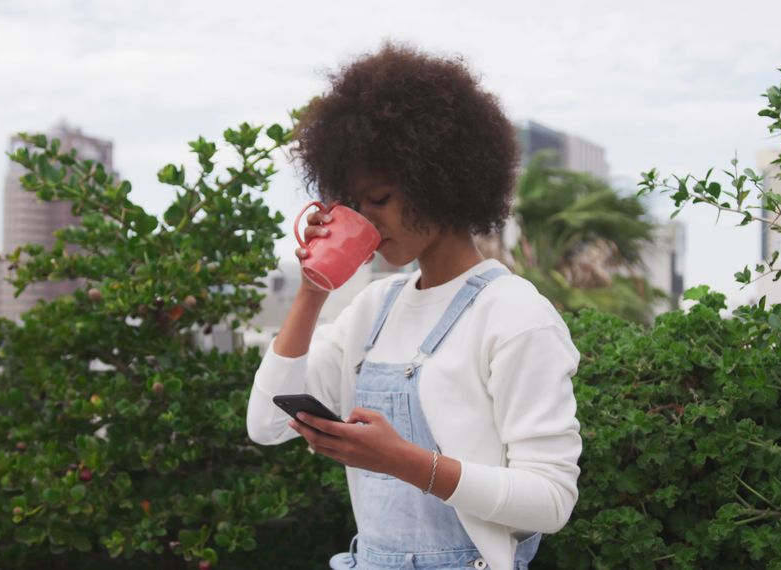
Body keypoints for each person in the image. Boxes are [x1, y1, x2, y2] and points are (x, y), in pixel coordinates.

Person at [246, 43, 582, 570]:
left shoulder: (515, 314)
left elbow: (551, 500)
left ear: (442, 184)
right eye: (352, 206)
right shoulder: (373, 309)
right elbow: (265, 424)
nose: (367, 221)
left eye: (378, 199)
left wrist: (404, 462)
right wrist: (314, 285)